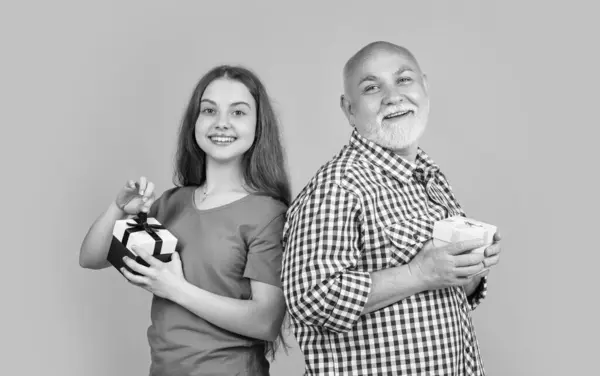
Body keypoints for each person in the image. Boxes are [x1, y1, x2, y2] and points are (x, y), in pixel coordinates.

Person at [281, 41, 502, 375]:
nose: (393, 96)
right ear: (349, 109)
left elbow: (439, 295)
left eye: (404, 80)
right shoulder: (339, 187)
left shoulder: (431, 180)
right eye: (372, 87)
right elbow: (309, 298)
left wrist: (469, 269)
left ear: (425, 87)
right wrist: (418, 274)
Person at [79, 65, 291, 376]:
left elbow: (266, 321)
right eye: (209, 110)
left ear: (259, 127)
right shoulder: (171, 203)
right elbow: (91, 257)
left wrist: (176, 288)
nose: (221, 123)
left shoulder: (268, 214)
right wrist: (117, 209)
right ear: (195, 121)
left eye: (238, 113)